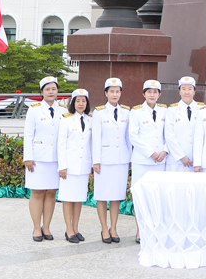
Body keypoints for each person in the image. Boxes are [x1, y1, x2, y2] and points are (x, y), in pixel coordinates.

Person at [22, 76, 66, 242]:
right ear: (42, 92)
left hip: (55, 159)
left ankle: (46, 227)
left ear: (57, 91)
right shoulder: (34, 110)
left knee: (51, 193)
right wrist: (28, 157)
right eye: (47, 89)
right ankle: (36, 228)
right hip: (38, 159)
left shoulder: (63, 110)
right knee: (37, 192)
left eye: (53, 89)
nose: (51, 92)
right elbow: (28, 134)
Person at [91, 77, 131, 244]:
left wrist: (129, 158)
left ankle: (114, 227)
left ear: (121, 93)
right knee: (102, 196)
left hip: (121, 160)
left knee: (116, 196)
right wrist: (96, 161)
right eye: (111, 91)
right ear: (105, 93)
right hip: (104, 161)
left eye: (117, 91)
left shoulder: (127, 112)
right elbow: (95, 138)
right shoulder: (99, 112)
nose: (114, 94)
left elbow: (128, 138)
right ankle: (104, 228)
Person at [128, 79, 167, 244]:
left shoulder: (166, 111)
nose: (152, 94)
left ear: (159, 94)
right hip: (142, 161)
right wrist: (151, 153)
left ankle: (155, 229)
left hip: (161, 161)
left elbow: (170, 134)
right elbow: (133, 136)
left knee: (157, 196)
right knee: (140, 196)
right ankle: (140, 230)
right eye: (149, 92)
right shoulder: (136, 112)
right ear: (144, 94)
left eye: (155, 92)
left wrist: (164, 150)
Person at [57, 88, 92, 243]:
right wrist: (62, 166)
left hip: (83, 166)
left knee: (78, 199)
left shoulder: (91, 120)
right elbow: (61, 144)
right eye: (77, 101)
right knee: (68, 198)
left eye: (83, 101)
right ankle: (68, 229)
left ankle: (76, 228)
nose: (80, 104)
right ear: (73, 103)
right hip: (69, 167)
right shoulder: (66, 120)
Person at [165, 75, 204, 172]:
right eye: (183, 89)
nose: (187, 92)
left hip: (197, 160)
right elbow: (169, 135)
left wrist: (197, 159)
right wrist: (181, 156)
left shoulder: (202, 109)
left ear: (194, 91)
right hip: (176, 160)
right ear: (179, 91)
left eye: (190, 89)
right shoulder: (172, 110)